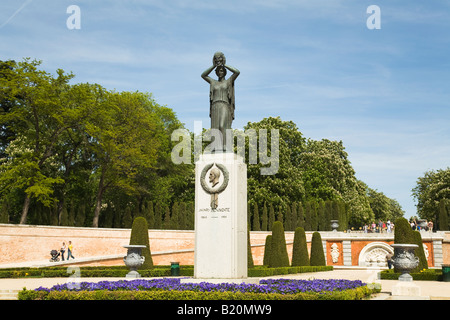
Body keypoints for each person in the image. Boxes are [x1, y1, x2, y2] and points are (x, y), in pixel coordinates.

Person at [201, 52, 240, 152]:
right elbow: (203, 75)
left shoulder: (228, 81)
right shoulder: (213, 82)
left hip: (224, 105)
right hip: (215, 106)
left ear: (225, 72)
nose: (220, 72)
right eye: (218, 71)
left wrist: (224, 64)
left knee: (222, 126)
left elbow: (237, 72)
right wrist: (214, 65)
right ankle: (215, 147)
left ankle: (225, 147)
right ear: (216, 72)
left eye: (222, 70)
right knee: (215, 128)